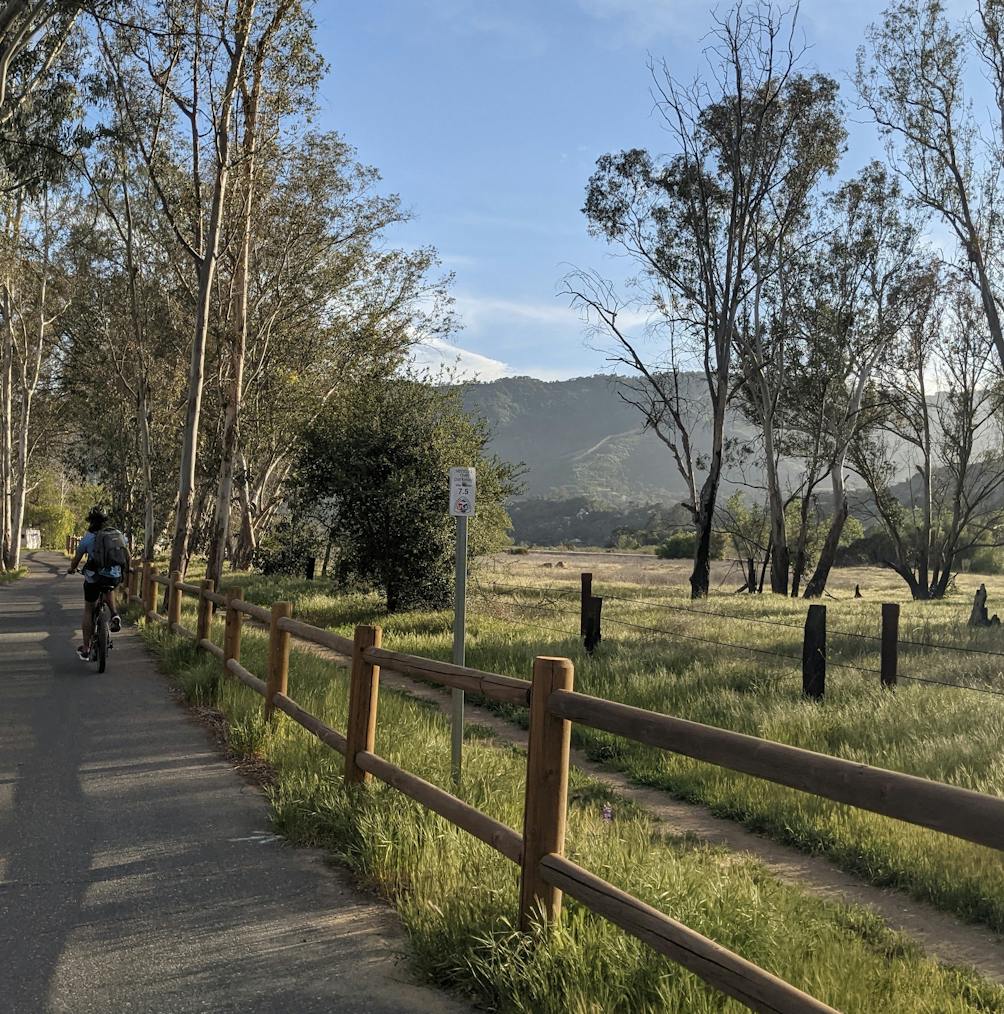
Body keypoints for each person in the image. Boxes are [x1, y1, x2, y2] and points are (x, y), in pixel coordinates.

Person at [68, 506, 131, 662]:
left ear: (91, 522)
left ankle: (86, 648)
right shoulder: (116, 534)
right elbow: (126, 553)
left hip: (94, 578)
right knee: (109, 588)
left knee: (89, 609)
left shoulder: (88, 538)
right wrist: (126, 570)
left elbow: (76, 559)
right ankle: (115, 615)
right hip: (114, 577)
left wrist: (72, 569)